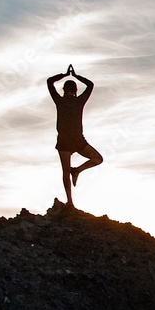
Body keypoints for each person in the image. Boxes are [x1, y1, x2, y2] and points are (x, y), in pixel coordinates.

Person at [47, 64, 103, 208]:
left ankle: (70, 202)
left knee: (65, 171)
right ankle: (77, 170)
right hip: (77, 140)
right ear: (76, 91)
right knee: (98, 159)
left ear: (64, 90)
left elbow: (49, 81)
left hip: (65, 141)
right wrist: (76, 76)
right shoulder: (79, 101)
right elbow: (90, 85)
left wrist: (65, 75)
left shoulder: (59, 100)